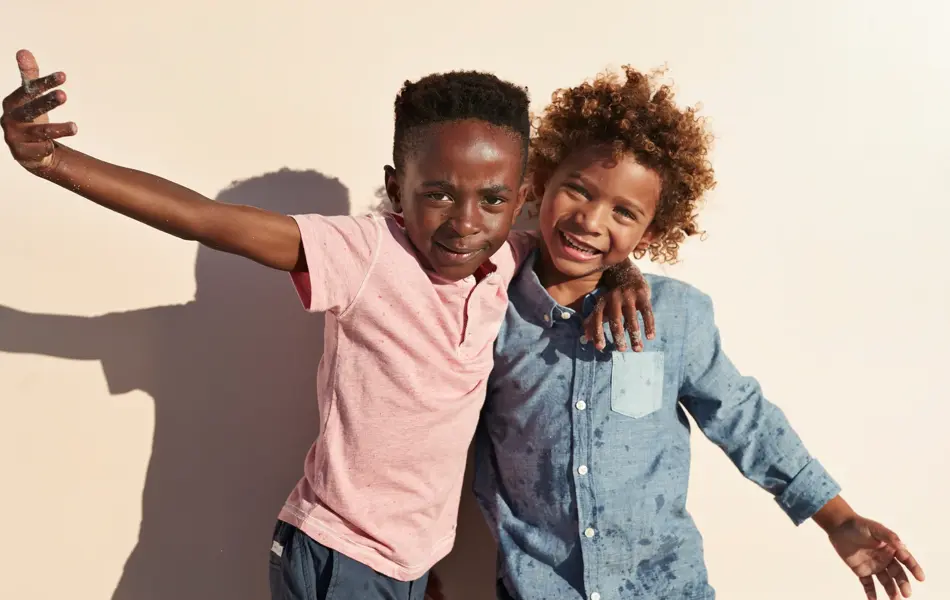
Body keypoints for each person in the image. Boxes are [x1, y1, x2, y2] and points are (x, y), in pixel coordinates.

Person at [1, 50, 653, 600]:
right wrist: (54, 164)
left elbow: (583, 241)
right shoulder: (364, 254)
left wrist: (622, 277)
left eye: (491, 199)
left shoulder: (512, 257)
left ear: (519, 198)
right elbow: (205, 219)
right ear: (397, 189)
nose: (464, 222)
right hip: (338, 555)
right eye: (437, 193)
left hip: (413, 563)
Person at [473, 66, 926, 600]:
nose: (591, 220)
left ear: (653, 230)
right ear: (543, 179)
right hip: (537, 589)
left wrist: (837, 518)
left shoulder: (675, 318)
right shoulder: (487, 310)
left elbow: (743, 418)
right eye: (578, 190)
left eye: (624, 211)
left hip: (665, 587)